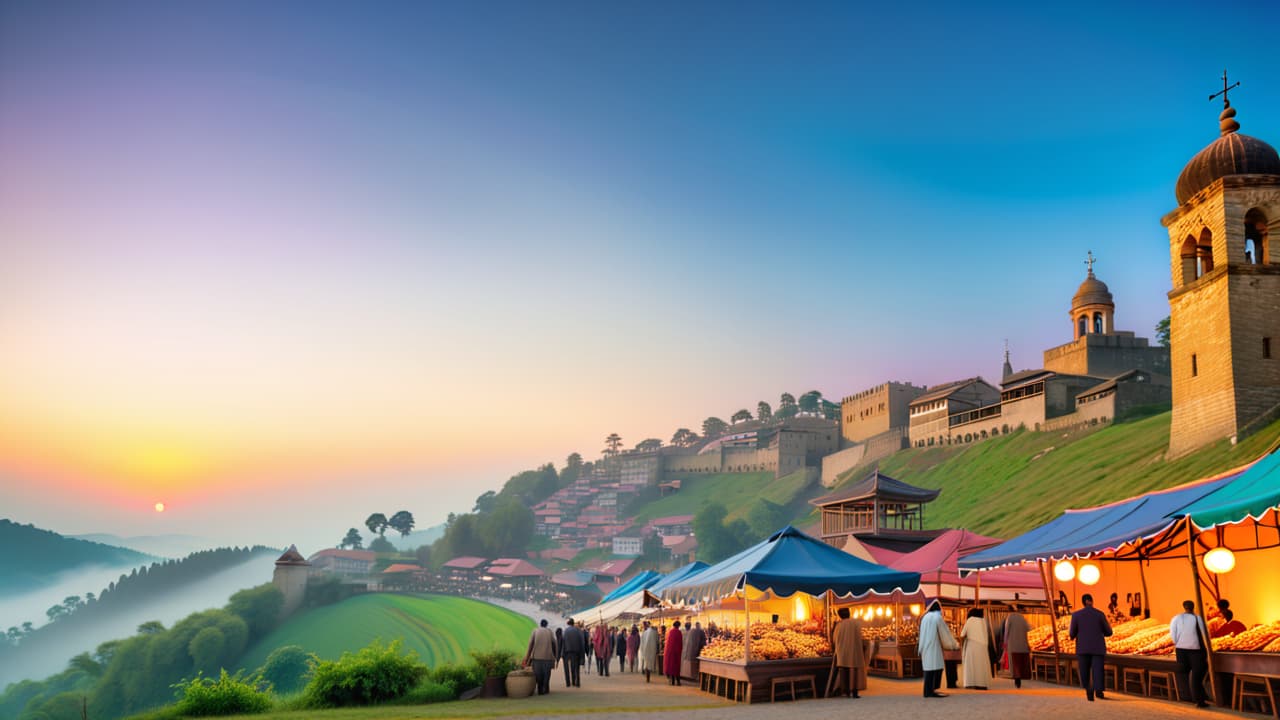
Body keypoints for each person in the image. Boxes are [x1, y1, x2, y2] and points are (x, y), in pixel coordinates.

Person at [1068, 593, 1113, 701]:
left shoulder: (1076, 615)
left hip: (1082, 648)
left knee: (1084, 669)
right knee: (1098, 669)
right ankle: (1098, 690)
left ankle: (1088, 688)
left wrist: (1075, 635)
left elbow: (1072, 633)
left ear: (1083, 602)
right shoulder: (1100, 614)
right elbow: (1109, 632)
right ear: (1091, 601)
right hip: (1097, 647)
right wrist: (1100, 632)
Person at [1170, 599, 1210, 708]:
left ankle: (1188, 697)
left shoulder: (1176, 618)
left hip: (1181, 651)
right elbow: (1205, 634)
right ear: (1193, 607)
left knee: (1185, 674)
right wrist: (1206, 649)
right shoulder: (1197, 618)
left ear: (1184, 607)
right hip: (1195, 651)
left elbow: (1173, 635)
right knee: (1197, 675)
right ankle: (1199, 700)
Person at [918, 599, 959, 698]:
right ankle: (930, 691)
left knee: (929, 669)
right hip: (934, 647)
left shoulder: (925, 617)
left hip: (925, 647)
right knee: (935, 668)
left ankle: (928, 691)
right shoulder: (937, 617)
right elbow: (945, 633)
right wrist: (954, 644)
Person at [830, 607, 866, 698]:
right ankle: (855, 691)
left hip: (843, 652)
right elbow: (861, 636)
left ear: (840, 615)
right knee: (855, 671)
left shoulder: (839, 625)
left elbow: (834, 639)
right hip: (855, 651)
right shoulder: (856, 623)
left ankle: (846, 691)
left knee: (844, 672)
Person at [524, 619, 558, 696]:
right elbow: (555, 643)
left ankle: (540, 689)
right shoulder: (549, 631)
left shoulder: (535, 631)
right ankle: (545, 689)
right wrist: (556, 656)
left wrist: (527, 657)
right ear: (546, 625)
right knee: (546, 674)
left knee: (538, 674)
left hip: (537, 657)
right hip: (548, 657)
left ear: (540, 624)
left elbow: (530, 644)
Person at [960, 607, 992, 690]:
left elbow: (962, 634)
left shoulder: (970, 620)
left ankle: (970, 682)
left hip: (972, 645)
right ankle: (982, 683)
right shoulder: (983, 621)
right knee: (981, 665)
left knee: (971, 665)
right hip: (983, 646)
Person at [1003, 605, 1032, 689]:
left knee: (1015, 663)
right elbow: (1028, 628)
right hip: (1023, 644)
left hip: (1013, 644)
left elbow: (1006, 631)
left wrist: (1005, 643)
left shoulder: (1010, 617)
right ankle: (1020, 678)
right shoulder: (1022, 617)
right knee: (1021, 662)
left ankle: (1017, 679)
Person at [560, 619, 585, 688]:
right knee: (576, 667)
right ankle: (577, 682)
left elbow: (563, 642)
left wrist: (562, 653)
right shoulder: (578, 631)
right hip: (576, 651)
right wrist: (582, 653)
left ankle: (568, 682)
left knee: (567, 668)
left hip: (567, 652)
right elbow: (582, 642)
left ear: (568, 623)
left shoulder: (565, 631)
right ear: (573, 623)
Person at [664, 620, 684, 686]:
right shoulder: (679, 632)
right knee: (676, 666)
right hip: (677, 652)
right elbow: (680, 643)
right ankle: (678, 681)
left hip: (670, 651)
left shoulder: (670, 632)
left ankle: (672, 681)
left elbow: (668, 642)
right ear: (678, 626)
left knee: (671, 666)